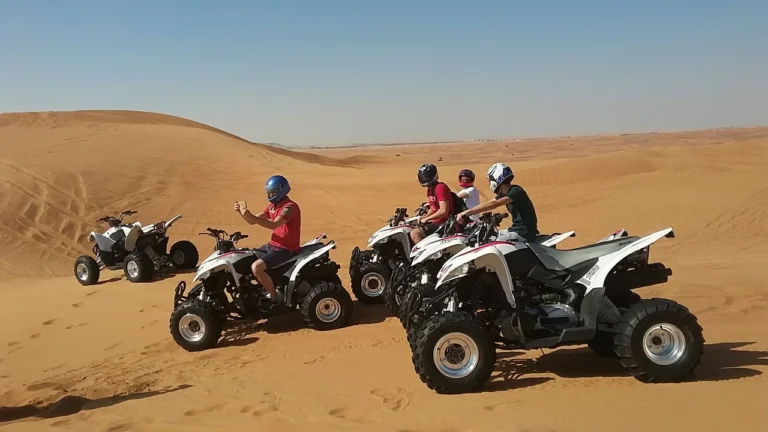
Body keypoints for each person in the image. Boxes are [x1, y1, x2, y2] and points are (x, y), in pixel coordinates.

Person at [234, 174, 301, 307]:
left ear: (282, 190)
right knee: (246, 257)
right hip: (272, 245)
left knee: (256, 268)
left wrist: (251, 216)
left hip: (286, 248)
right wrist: (242, 213)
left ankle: (275, 299)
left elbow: (273, 225)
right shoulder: (272, 206)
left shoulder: (290, 207)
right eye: (269, 192)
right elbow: (252, 221)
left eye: (273, 192)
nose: (270, 195)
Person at [456, 162, 539, 242]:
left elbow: (494, 204)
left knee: (492, 242)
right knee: (487, 236)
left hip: (524, 233)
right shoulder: (504, 194)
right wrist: (469, 213)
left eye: (490, 180)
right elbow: (488, 203)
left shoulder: (516, 191)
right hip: (514, 229)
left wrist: (468, 212)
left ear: (495, 178)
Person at [410, 163, 454, 244]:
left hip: (446, 223)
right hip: (438, 221)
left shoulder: (440, 187)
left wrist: (427, 219)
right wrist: (425, 217)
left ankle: (425, 252)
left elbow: (443, 211)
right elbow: (433, 208)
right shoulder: (430, 189)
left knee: (415, 234)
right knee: (410, 227)